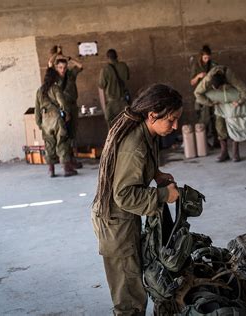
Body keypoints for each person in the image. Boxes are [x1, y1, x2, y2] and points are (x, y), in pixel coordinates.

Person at [91, 84, 182, 315]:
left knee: (133, 283)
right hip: (116, 225)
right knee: (129, 295)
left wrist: (156, 174)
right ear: (152, 115)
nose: (175, 126)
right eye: (171, 120)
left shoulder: (147, 132)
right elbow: (124, 195)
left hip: (121, 217)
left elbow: (135, 169)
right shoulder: (135, 146)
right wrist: (163, 195)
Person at [194, 65, 246, 162]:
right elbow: (197, 93)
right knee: (219, 125)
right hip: (219, 103)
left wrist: (239, 102)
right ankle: (224, 152)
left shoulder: (230, 76)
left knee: (235, 124)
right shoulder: (208, 78)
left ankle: (235, 152)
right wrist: (211, 102)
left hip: (232, 103)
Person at [35, 68, 77, 177]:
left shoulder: (40, 91)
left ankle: (51, 170)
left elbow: (37, 109)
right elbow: (62, 103)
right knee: (62, 142)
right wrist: (67, 114)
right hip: (56, 118)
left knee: (49, 144)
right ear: (55, 77)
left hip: (46, 120)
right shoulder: (55, 88)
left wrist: (39, 123)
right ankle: (66, 169)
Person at [48, 45, 84, 169]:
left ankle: (72, 159)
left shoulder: (70, 74)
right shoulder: (55, 75)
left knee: (73, 133)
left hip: (73, 106)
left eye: (64, 67)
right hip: (62, 108)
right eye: (60, 67)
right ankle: (66, 161)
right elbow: (50, 63)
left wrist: (68, 58)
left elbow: (80, 66)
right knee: (65, 134)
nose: (62, 69)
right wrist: (57, 54)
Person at [190, 45, 218, 145]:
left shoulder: (213, 65)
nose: (207, 60)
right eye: (205, 58)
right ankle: (204, 143)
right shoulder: (196, 66)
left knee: (216, 118)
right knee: (204, 120)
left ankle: (217, 141)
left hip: (213, 94)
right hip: (201, 96)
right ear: (201, 56)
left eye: (208, 58)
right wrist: (198, 76)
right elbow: (192, 82)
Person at [98, 49, 130, 133]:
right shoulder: (123, 66)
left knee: (112, 130)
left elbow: (101, 88)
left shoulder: (105, 70)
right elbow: (127, 78)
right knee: (126, 128)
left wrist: (104, 108)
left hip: (111, 104)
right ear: (117, 56)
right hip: (123, 102)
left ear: (107, 58)